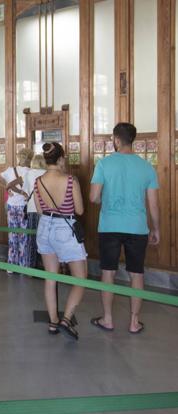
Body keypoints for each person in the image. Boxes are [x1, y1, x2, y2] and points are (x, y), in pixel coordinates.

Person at [89, 122, 160, 334]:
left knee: (108, 272)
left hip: (109, 226)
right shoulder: (147, 167)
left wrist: (106, 200)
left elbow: (93, 197)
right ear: (133, 140)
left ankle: (108, 319)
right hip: (138, 228)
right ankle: (134, 322)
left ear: (116, 140)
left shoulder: (104, 164)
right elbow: (154, 205)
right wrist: (156, 229)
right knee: (136, 274)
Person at [34, 142, 87, 340]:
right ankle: (66, 319)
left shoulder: (38, 181)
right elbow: (79, 210)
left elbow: (40, 210)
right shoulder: (70, 180)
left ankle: (53, 321)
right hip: (65, 229)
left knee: (51, 276)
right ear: (61, 159)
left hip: (44, 227)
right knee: (80, 278)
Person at [0, 148, 34, 274]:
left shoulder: (10, 170)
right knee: (24, 237)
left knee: (12, 235)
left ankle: (11, 266)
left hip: (11, 206)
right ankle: (23, 267)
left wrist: (6, 187)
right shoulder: (31, 172)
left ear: (18, 158)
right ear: (30, 159)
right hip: (24, 207)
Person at [23, 154, 47, 269]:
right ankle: (45, 265)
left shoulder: (29, 174)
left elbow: (26, 191)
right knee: (44, 238)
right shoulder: (47, 174)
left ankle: (32, 265)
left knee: (32, 238)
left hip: (32, 208)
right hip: (45, 210)